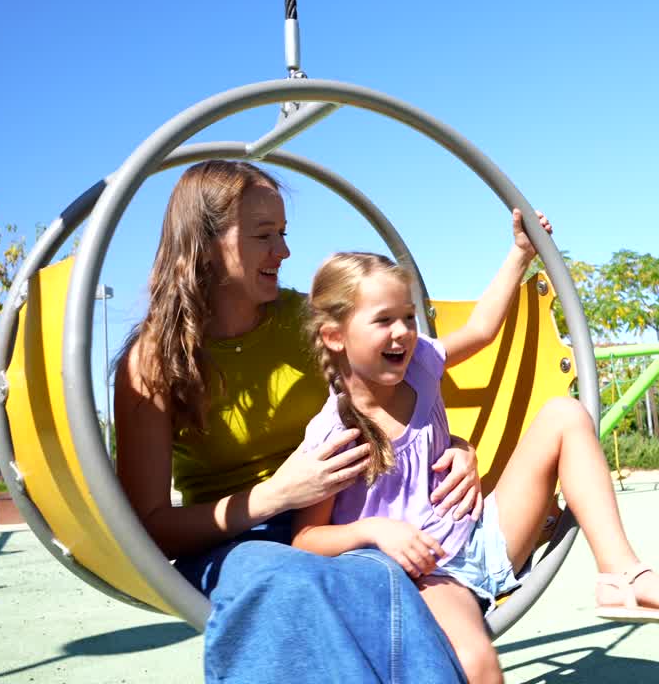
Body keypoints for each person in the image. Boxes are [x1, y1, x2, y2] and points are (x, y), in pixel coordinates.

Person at [290, 215, 659, 683]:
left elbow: (481, 330)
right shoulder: (334, 433)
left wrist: (520, 253)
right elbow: (305, 540)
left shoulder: (421, 366)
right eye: (383, 321)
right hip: (426, 574)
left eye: (408, 318)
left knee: (564, 414)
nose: (403, 332)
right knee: (477, 663)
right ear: (334, 336)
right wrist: (374, 531)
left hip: (481, 536)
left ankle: (621, 575)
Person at [113, 160, 479, 683]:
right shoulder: (154, 362)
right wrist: (275, 496)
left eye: (283, 234)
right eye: (264, 236)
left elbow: (397, 397)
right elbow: (148, 529)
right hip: (231, 542)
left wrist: (460, 445)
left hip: (333, 523)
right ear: (206, 244)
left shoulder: (306, 322)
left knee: (385, 573)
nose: (283, 252)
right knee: (278, 578)